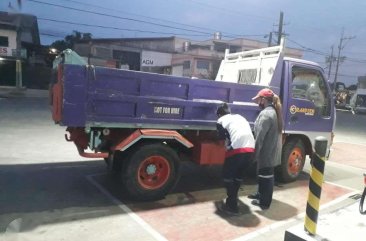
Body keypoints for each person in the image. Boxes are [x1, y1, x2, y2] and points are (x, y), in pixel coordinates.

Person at [216, 103, 255, 215]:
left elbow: (221, 137)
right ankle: (233, 200)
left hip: (236, 151)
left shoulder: (220, 121)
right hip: (250, 149)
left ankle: (232, 207)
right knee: (238, 177)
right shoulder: (240, 117)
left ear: (219, 114)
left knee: (227, 177)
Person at [249, 88, 283, 210]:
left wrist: (254, 155)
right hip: (270, 152)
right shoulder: (273, 111)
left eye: (258, 100)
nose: (257, 103)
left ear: (263, 100)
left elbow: (259, 138)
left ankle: (264, 202)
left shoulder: (266, 114)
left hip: (266, 153)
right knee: (264, 175)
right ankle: (260, 195)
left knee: (266, 176)